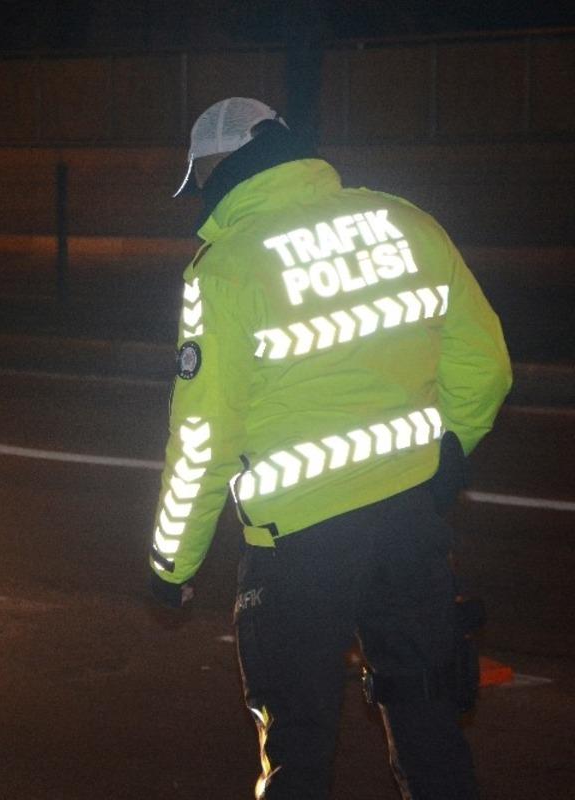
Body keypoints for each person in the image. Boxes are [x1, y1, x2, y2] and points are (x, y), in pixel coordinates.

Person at [146, 98, 511, 799]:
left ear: (216, 171)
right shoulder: (405, 220)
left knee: (299, 756)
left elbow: (203, 440)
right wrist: (447, 456)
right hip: (409, 527)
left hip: (298, 554)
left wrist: (172, 564)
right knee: (432, 732)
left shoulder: (225, 269)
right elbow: (486, 365)